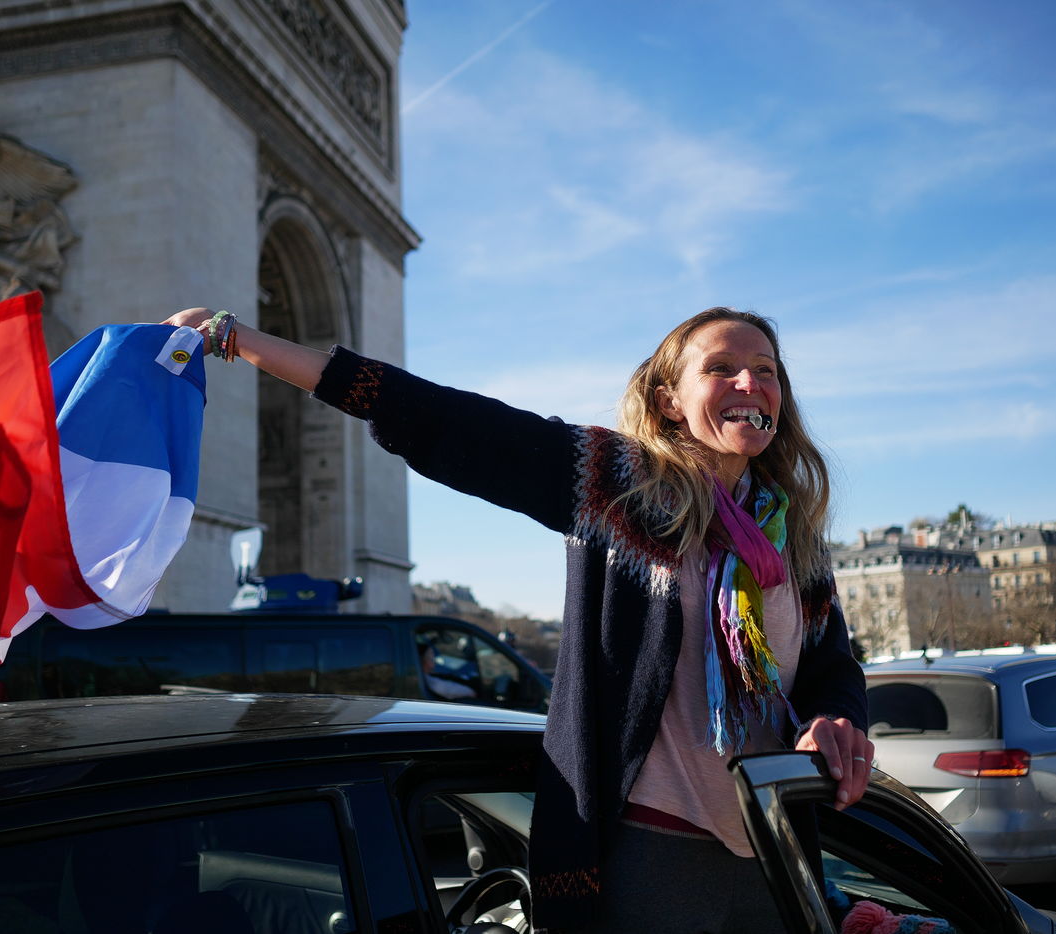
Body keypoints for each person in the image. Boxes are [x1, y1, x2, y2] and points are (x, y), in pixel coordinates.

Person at [161, 305, 872, 933]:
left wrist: (835, 719)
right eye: (721, 368)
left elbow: (831, 666)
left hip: (775, 848)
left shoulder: (793, 536)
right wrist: (240, 339)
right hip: (649, 852)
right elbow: (440, 419)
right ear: (669, 401)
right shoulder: (618, 487)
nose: (750, 383)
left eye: (766, 371)